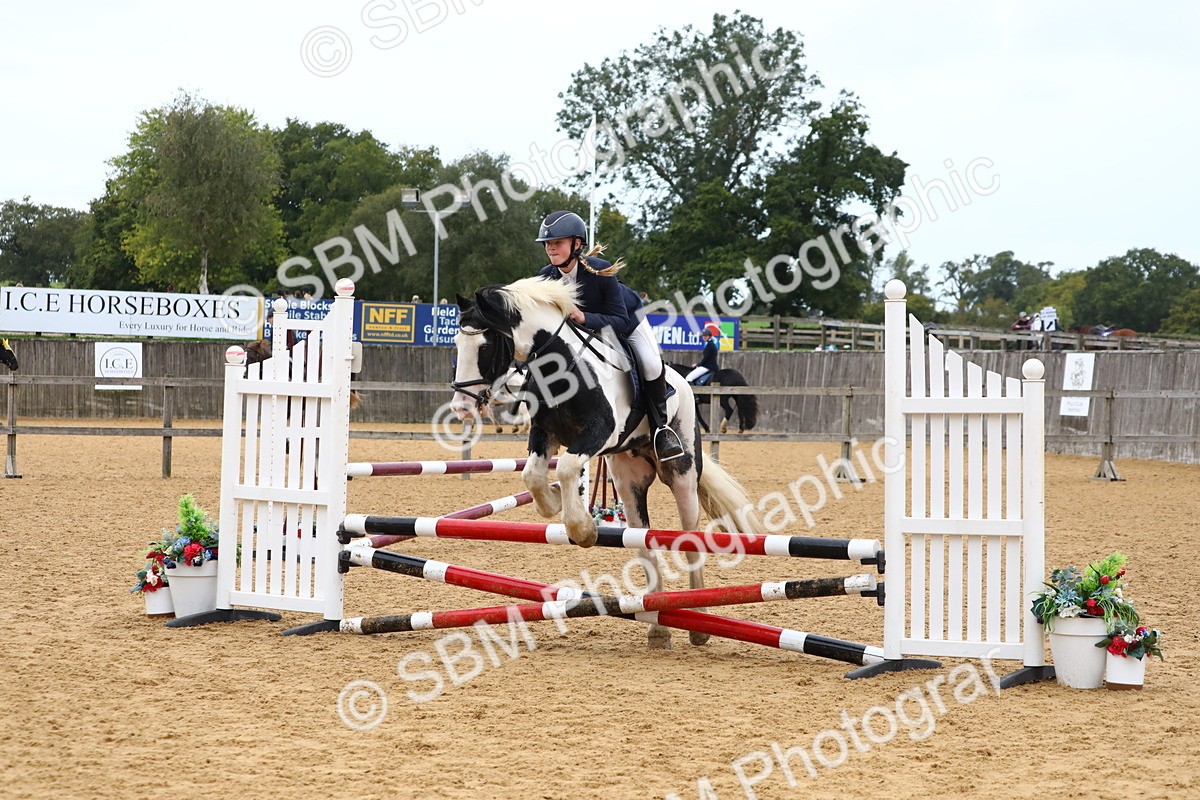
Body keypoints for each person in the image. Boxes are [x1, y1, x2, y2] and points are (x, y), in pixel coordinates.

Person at [535, 210, 684, 460]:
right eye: (548, 244)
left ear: (577, 244)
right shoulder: (545, 277)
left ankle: (661, 429)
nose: (551, 248)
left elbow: (620, 321)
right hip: (586, 333)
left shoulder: (599, 271)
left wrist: (584, 318)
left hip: (628, 320)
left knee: (649, 363)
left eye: (557, 243)